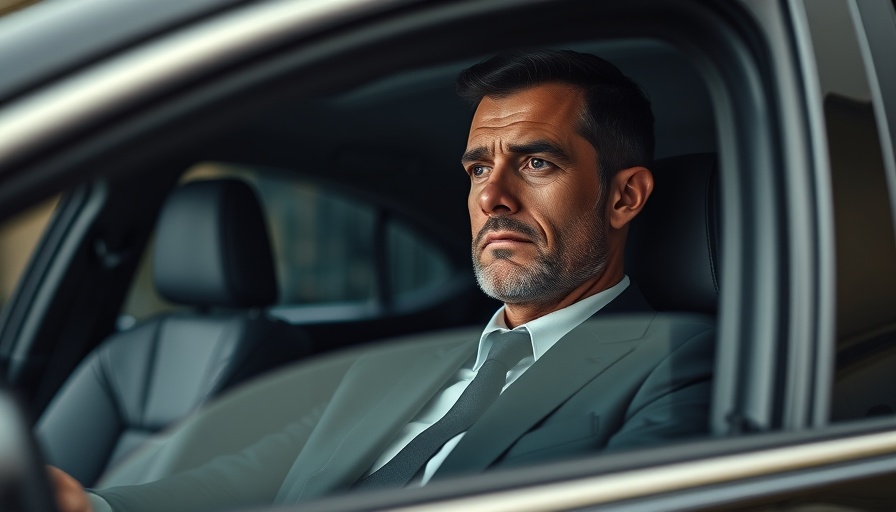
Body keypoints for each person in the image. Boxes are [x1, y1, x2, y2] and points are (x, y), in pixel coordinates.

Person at [51, 49, 715, 512]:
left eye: (535, 161)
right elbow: (252, 476)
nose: (493, 198)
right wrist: (97, 506)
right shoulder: (398, 366)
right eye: (478, 169)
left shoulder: (680, 362)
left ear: (625, 198)